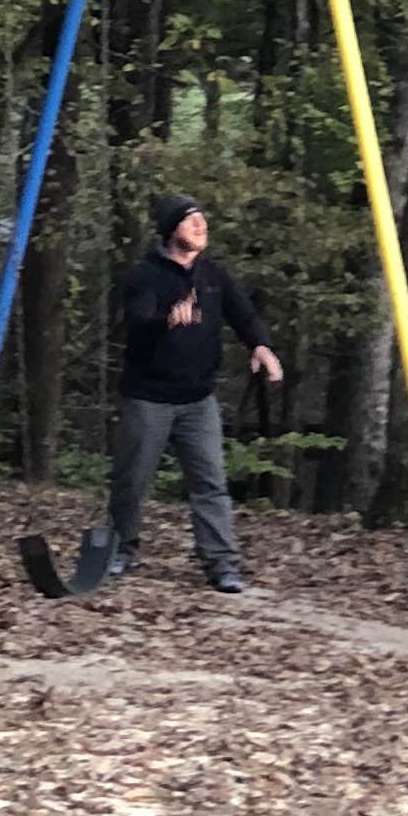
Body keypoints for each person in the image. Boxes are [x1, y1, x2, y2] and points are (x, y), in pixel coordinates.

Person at [110, 195, 282, 593]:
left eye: (203, 221)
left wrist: (261, 346)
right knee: (131, 480)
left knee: (210, 482)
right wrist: (166, 319)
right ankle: (120, 549)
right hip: (148, 397)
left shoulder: (213, 276)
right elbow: (136, 319)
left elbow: (244, 315)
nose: (201, 227)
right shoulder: (145, 275)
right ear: (172, 230)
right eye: (192, 222)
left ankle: (221, 564)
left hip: (198, 399)